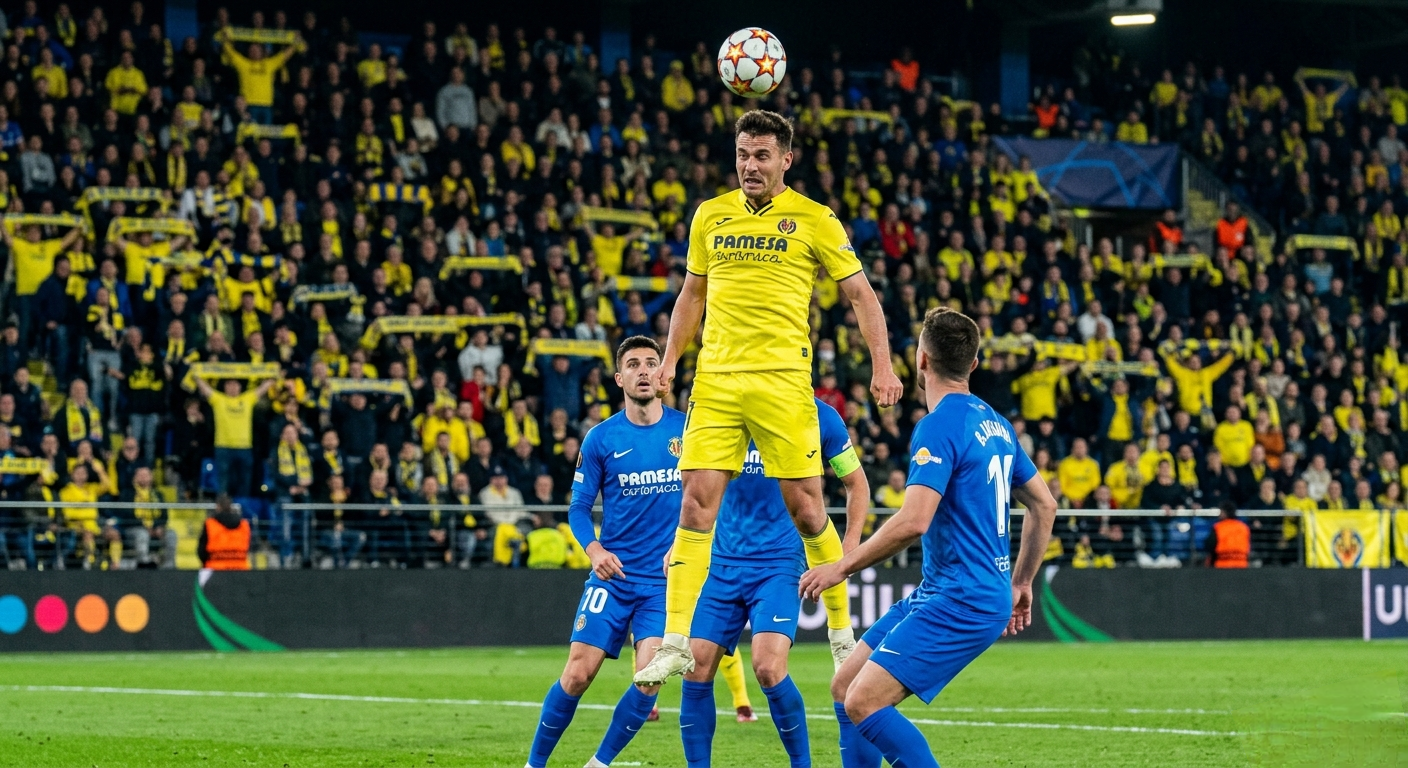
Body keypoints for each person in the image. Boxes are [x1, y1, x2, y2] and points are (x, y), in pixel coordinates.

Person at [638, 109, 903, 687]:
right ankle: (675, 642)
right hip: (717, 381)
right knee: (695, 505)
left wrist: (883, 366)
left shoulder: (815, 219)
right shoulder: (710, 215)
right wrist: (671, 359)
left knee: (807, 510)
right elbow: (691, 294)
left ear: (786, 159)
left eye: (761, 156)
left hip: (782, 381)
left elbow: (861, 295)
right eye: (742, 154)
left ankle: (841, 635)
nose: (750, 166)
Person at [800, 307, 1057, 768]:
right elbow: (1045, 505)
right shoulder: (996, 423)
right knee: (845, 687)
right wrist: (1021, 582)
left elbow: (914, 521)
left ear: (921, 360)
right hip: (951, 590)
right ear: (973, 364)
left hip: (962, 597)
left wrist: (841, 566)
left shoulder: (938, 426)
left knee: (864, 702)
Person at [679, 397, 871, 768]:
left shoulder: (821, 417)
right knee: (695, 666)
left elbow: (856, 484)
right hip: (722, 561)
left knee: (767, 667)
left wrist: (848, 550)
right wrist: (682, 539)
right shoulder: (725, 408)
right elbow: (695, 484)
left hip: (779, 562)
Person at [525, 336, 684, 768]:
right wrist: (594, 550)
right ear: (619, 378)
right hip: (612, 578)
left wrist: (686, 543)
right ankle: (533, 765)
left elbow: (709, 498)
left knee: (649, 680)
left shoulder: (688, 430)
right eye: (633, 364)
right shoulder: (600, 438)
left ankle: (599, 764)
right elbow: (578, 507)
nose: (644, 370)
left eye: (651, 363)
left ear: (662, 374)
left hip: (663, 584)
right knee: (577, 674)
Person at [194, 374, 275, 497]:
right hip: (223, 446)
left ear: (240, 387)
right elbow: (205, 389)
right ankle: (223, 505)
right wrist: (196, 376)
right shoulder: (219, 399)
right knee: (223, 481)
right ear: (225, 387)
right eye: (229, 384)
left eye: (235, 384)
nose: (232, 387)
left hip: (244, 447)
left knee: (244, 481)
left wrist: (272, 375)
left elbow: (263, 388)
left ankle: (243, 505)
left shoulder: (247, 399)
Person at [199, 494, 251, 570]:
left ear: (218, 507)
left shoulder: (210, 524)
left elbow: (201, 550)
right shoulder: (244, 524)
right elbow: (249, 545)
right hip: (240, 568)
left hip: (215, 568)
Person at [1204, 501, 1251, 568]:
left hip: (1223, 564)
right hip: (1242, 564)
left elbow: (1210, 545)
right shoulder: (1244, 527)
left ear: (1224, 512)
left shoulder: (1218, 527)